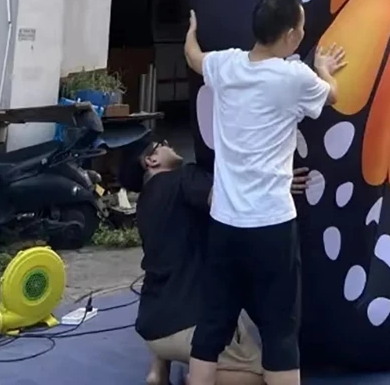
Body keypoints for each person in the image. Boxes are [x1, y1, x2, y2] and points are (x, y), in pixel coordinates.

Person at [184, 0, 346, 385]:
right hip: (272, 225)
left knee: (211, 326)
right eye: (302, 27)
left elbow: (193, 56)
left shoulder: (225, 65)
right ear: (290, 35)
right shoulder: (295, 79)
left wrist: (190, 30)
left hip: (224, 222)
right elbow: (334, 96)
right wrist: (324, 68)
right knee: (280, 329)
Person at [122, 137, 310, 385]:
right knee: (269, 374)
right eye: (163, 144)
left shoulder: (145, 203)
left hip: (151, 324)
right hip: (189, 323)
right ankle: (200, 377)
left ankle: (159, 367)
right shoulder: (184, 178)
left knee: (180, 272)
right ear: (152, 160)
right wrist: (276, 185)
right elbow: (227, 198)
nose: (170, 144)